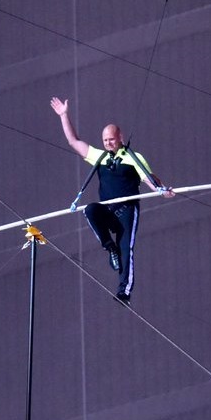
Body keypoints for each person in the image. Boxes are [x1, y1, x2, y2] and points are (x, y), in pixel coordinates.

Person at [50, 97, 175, 305]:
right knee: (90, 210)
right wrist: (64, 115)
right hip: (108, 211)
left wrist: (162, 191)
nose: (108, 143)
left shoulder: (134, 158)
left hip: (127, 211)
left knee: (127, 248)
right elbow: (74, 142)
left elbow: (149, 179)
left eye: (112, 139)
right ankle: (110, 248)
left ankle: (124, 291)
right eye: (105, 140)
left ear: (120, 137)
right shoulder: (99, 156)